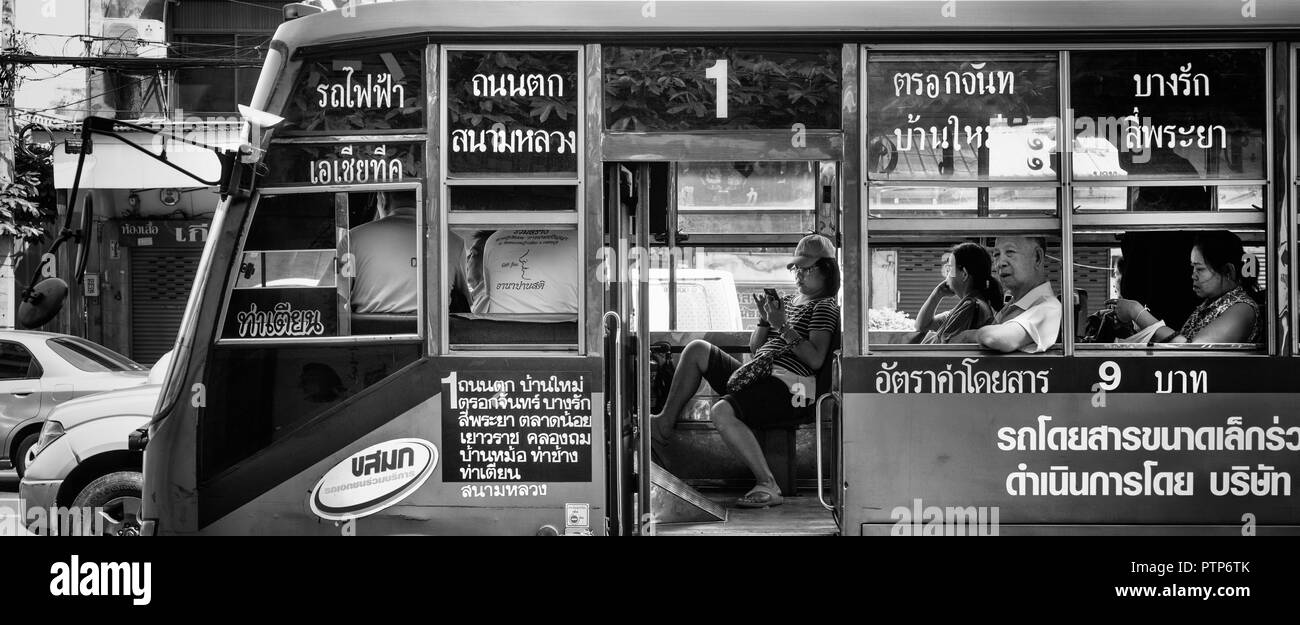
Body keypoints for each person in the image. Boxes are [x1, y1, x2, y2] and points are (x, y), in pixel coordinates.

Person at [649, 234, 840, 509]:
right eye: (796, 268)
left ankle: (768, 484)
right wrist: (766, 320)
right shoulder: (789, 302)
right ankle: (664, 424)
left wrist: (784, 327)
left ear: (826, 271)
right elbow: (756, 348)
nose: (799, 275)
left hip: (791, 387)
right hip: (761, 373)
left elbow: (815, 358)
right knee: (697, 350)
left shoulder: (824, 307)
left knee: (721, 411)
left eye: (806, 269)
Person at [1113, 231, 1261, 343]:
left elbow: (1193, 351)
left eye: (1200, 269)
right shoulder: (1208, 305)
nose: (1193, 276)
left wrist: (1137, 312)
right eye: (1192, 268)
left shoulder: (1243, 308)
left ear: (1228, 271)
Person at [953, 236, 1062, 353]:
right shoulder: (1012, 304)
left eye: (1010, 252)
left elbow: (996, 339)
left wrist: (967, 336)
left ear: (1037, 258)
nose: (1000, 263)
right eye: (996, 255)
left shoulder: (1048, 307)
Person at [914, 242, 1003, 344]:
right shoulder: (969, 306)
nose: (947, 275)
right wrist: (937, 293)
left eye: (950, 269)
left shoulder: (971, 306)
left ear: (964, 274)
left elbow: (943, 346)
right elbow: (922, 326)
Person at [349, 191, 418, 315]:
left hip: (367, 331)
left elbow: (336, 294)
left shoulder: (352, 238)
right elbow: (463, 300)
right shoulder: (452, 242)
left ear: (382, 199)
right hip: (434, 330)